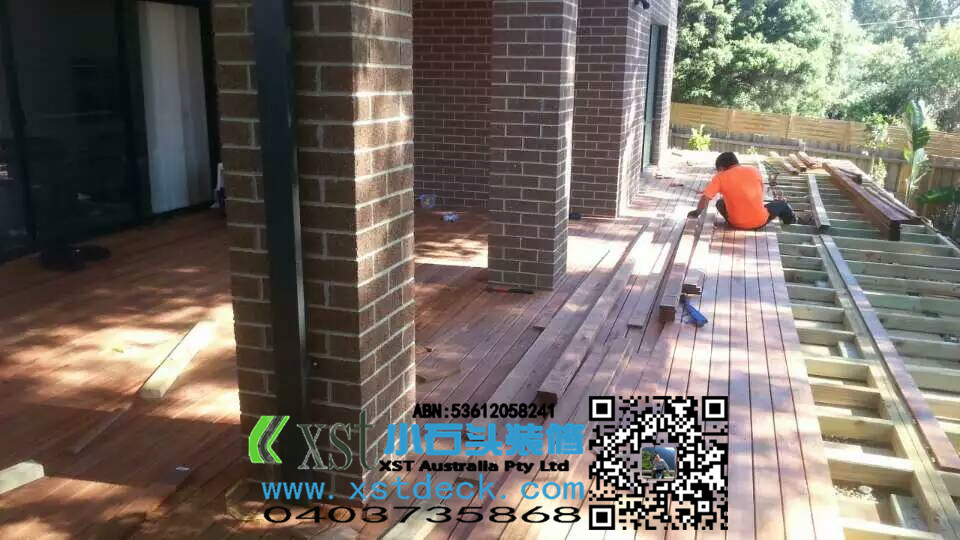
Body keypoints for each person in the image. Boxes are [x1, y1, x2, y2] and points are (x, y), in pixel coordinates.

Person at [687, 152, 796, 229]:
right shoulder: (754, 171)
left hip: (735, 223)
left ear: (721, 168)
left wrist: (697, 212)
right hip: (760, 222)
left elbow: (705, 197)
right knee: (782, 204)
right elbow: (760, 195)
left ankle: (737, 219)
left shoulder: (720, 177)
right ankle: (791, 221)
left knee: (720, 203)